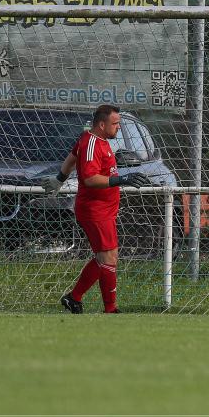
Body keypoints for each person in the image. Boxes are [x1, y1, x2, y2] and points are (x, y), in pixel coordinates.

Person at [43, 104, 147, 314]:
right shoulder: (91, 142)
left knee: (107, 257)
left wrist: (59, 179)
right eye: (115, 123)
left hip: (104, 210)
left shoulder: (97, 140)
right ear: (102, 124)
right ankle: (110, 309)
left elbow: (72, 157)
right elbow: (90, 179)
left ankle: (74, 298)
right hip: (95, 210)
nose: (118, 127)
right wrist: (122, 179)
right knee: (108, 258)